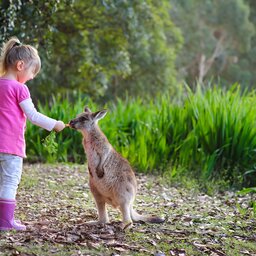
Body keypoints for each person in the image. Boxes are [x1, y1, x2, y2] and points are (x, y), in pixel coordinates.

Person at [0, 37, 65, 231]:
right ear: (20, 65)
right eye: (32, 72)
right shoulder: (20, 88)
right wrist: (55, 124)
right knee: (10, 181)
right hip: (10, 146)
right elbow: (33, 116)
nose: (32, 77)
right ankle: (5, 221)